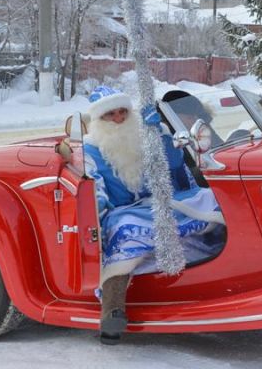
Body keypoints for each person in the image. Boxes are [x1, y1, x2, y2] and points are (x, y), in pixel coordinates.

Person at [83, 86, 224, 345]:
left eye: (122, 112)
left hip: (158, 201)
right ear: (98, 121)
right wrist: (96, 220)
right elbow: (94, 190)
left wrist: (160, 134)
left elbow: (173, 168)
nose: (118, 119)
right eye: (109, 115)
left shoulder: (145, 135)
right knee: (124, 230)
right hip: (121, 211)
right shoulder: (91, 150)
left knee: (210, 199)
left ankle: (223, 275)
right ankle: (112, 312)